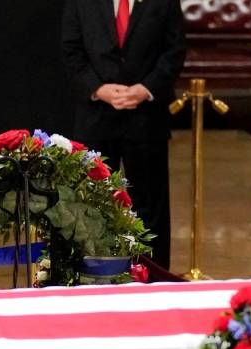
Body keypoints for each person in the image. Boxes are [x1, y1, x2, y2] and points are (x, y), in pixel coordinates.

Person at [61, 0, 184, 270]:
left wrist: (146, 89)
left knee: (150, 206)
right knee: (93, 204)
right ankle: (94, 275)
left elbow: (174, 51)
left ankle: (153, 276)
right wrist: (98, 89)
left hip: (146, 117)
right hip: (96, 117)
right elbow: (71, 51)